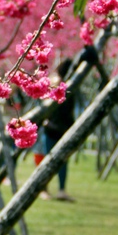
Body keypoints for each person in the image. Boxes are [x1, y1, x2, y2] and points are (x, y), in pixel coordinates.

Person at [40, 58, 76, 202]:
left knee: (55, 160)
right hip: (56, 127)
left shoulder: (64, 83)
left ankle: (55, 189)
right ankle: (47, 189)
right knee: (53, 160)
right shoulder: (60, 83)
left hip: (56, 127)